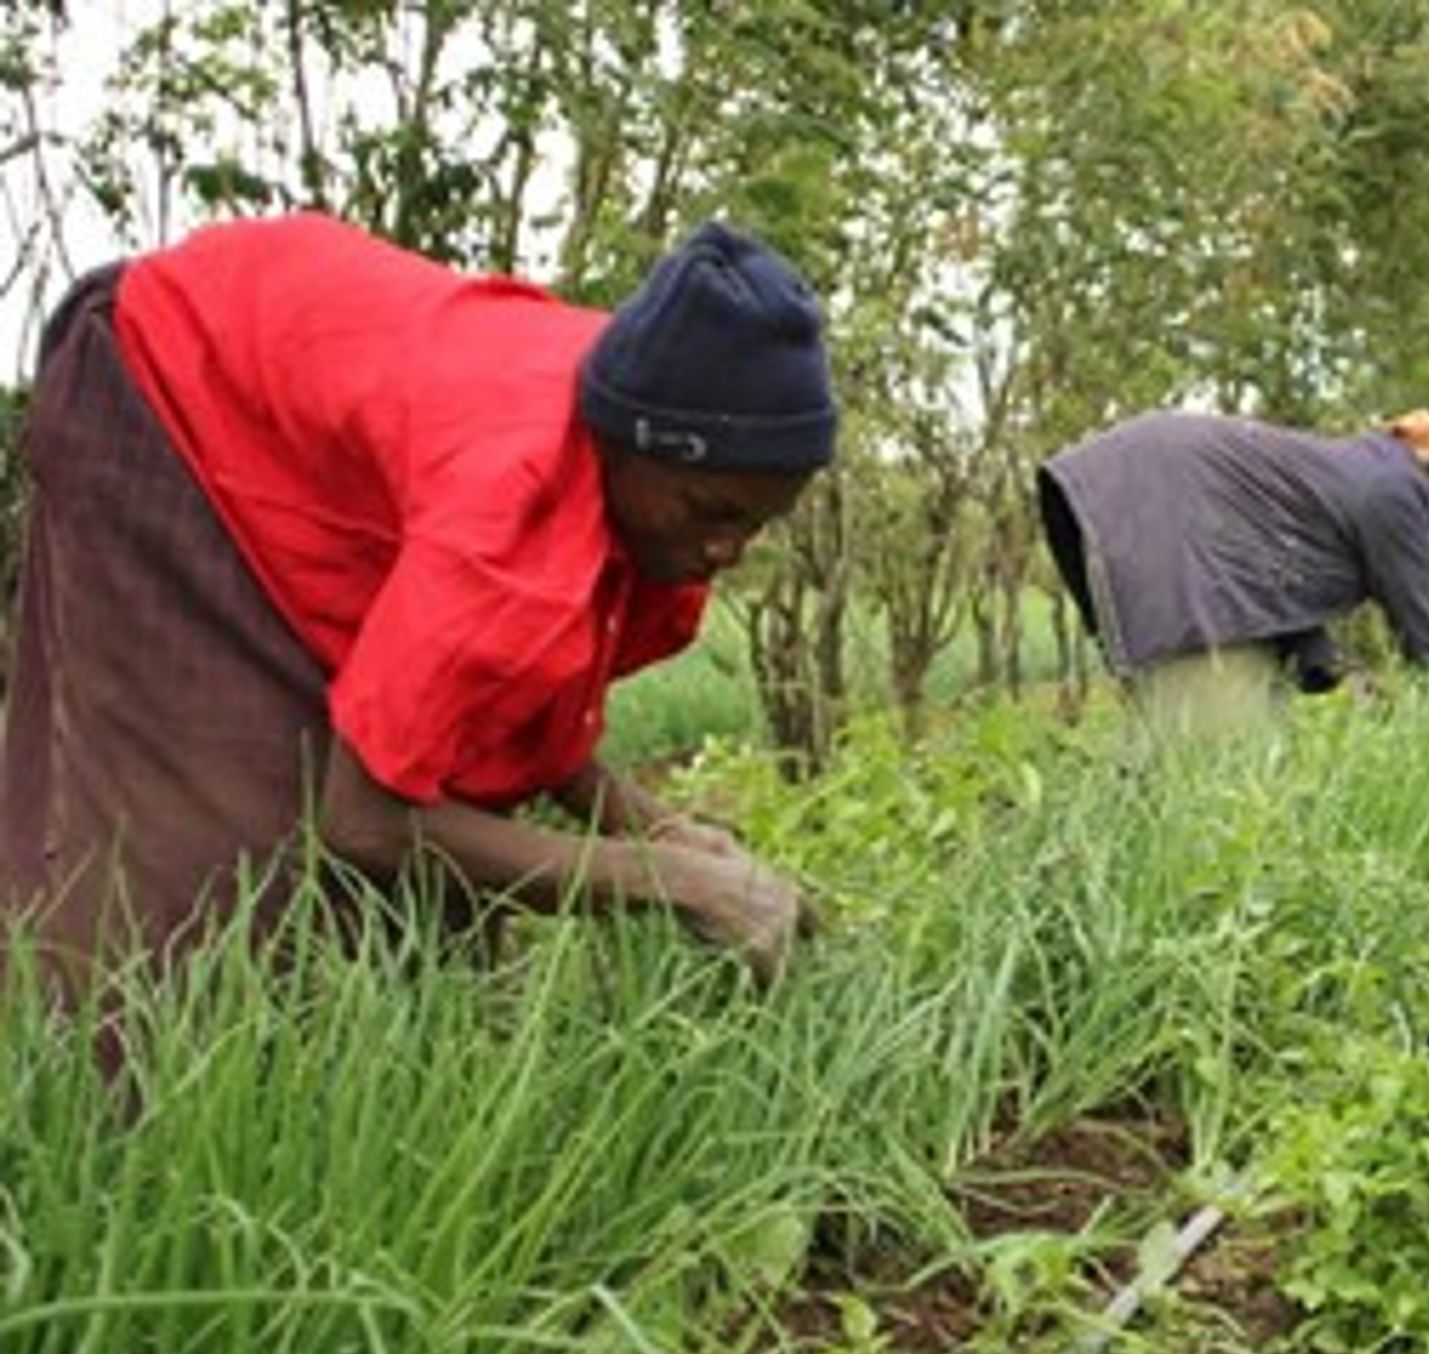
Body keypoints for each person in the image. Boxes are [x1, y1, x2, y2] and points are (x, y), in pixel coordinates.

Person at [1, 212, 835, 993]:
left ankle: (375, 1077)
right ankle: (102, 1115)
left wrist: (655, 829)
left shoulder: (635, 449)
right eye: (710, 513)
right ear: (633, 447)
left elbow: (512, 711)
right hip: (164, 382)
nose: (727, 552)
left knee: (431, 868)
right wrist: (669, 883)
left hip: (301, 445)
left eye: (757, 524)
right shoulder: (506, 509)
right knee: (214, 854)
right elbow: (362, 821)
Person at [1036, 409, 1429, 730]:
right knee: (1220, 768)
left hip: (1133, 499)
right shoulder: (1393, 486)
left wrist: (1325, 664)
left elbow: (1274, 574)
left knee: (1193, 743)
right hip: (1171, 526)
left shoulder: (1347, 472)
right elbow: (1425, 622)